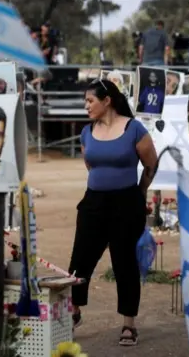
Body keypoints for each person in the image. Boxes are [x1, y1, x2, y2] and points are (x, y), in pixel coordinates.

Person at [69, 79, 157, 346]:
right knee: (80, 262)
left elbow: (150, 165)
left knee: (125, 264)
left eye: (90, 101)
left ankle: (128, 324)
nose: (86, 106)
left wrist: (140, 192)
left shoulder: (134, 129)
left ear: (106, 101)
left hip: (127, 204)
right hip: (93, 203)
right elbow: (91, 165)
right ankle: (73, 312)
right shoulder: (87, 132)